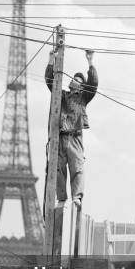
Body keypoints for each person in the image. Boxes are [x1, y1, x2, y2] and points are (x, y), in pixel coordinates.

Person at [45, 49, 98, 207]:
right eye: (74, 79)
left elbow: (93, 83)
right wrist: (51, 60)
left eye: (79, 80)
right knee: (58, 168)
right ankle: (61, 198)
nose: (76, 81)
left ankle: (77, 196)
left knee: (77, 167)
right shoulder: (61, 96)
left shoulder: (83, 98)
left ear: (82, 86)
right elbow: (50, 81)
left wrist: (90, 62)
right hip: (60, 137)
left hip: (75, 137)